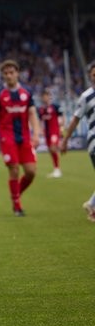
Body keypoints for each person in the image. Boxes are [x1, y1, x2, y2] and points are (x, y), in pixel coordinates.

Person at [0, 59, 41, 216]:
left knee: (31, 172)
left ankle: (16, 193)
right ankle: (16, 205)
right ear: (3, 76)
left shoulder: (26, 93)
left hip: (25, 137)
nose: (9, 76)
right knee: (15, 170)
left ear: (17, 73)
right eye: (6, 73)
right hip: (7, 137)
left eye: (11, 72)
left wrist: (36, 134)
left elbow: (32, 114)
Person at [60, 61, 95, 222]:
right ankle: (92, 205)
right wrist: (66, 140)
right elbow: (75, 120)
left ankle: (92, 205)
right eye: (94, 75)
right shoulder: (86, 97)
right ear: (90, 77)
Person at [38, 89, 65, 178]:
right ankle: (56, 169)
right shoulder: (41, 109)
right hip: (47, 133)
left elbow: (61, 116)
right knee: (50, 150)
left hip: (54, 131)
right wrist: (40, 130)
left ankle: (57, 170)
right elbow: (40, 120)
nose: (45, 98)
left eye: (46, 96)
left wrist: (61, 128)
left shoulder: (55, 106)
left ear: (49, 96)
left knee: (53, 148)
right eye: (43, 96)